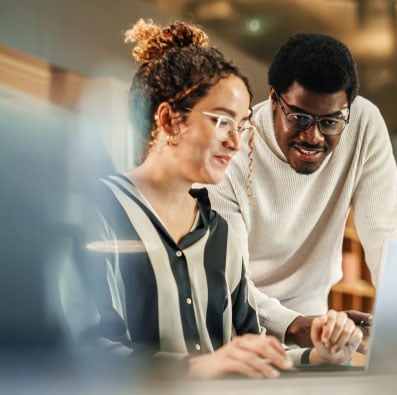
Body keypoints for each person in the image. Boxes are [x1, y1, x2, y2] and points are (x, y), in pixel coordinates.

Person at [74, 20, 362, 380]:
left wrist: (318, 356)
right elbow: (82, 350)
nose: (236, 143)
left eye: (241, 126)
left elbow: (253, 348)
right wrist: (195, 368)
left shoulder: (219, 234)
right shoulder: (95, 211)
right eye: (222, 122)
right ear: (169, 120)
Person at [207, 32, 397, 347]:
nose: (313, 137)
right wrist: (295, 326)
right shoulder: (230, 152)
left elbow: (387, 235)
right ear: (274, 99)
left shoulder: (364, 125)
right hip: (238, 333)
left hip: (316, 328)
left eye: (330, 122)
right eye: (299, 117)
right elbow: (228, 281)